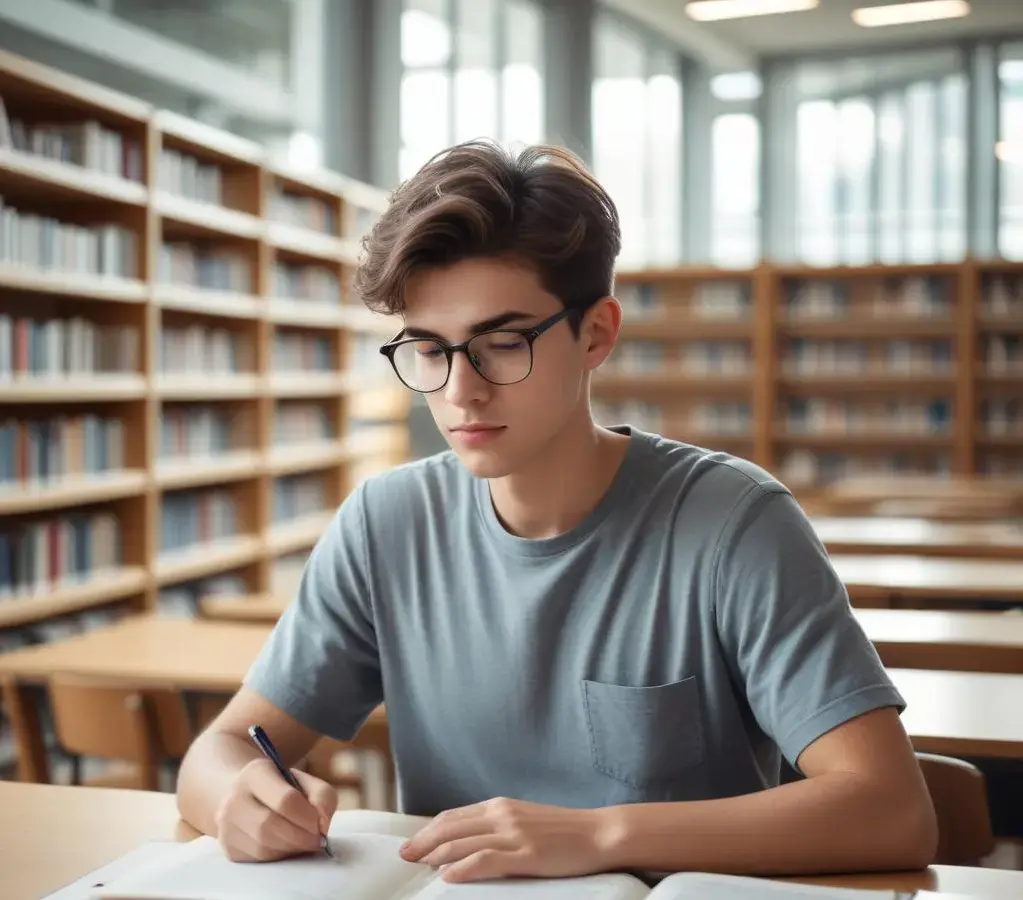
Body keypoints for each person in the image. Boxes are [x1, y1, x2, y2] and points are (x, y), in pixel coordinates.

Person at [176, 139, 937, 883]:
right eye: (430, 350)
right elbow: (218, 753)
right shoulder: (386, 522)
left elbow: (891, 809)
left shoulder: (737, 524)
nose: (460, 391)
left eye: (503, 343)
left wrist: (597, 835)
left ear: (596, 334)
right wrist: (242, 797)